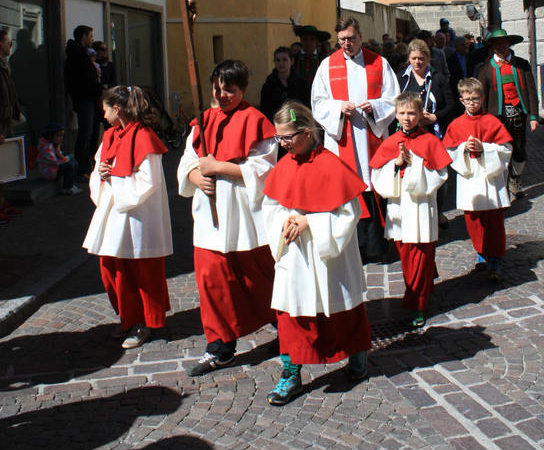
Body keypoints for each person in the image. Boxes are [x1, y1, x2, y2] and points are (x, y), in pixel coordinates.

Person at [261, 102, 371, 405]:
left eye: (286, 138)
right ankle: (290, 373)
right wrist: (288, 221)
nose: (281, 144)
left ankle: (358, 358)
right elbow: (270, 208)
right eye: (278, 138)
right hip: (295, 253)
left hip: (328, 256)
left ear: (306, 133)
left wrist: (310, 221)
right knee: (290, 314)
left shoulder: (332, 165)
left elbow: (349, 212)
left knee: (344, 311)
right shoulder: (283, 166)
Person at [178, 59, 278, 376]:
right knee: (211, 281)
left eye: (230, 90)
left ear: (243, 89)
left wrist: (218, 167)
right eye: (217, 89)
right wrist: (195, 176)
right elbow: (187, 162)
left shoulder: (256, 120)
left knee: (258, 278)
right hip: (209, 216)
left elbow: (265, 169)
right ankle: (220, 347)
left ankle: (284, 324)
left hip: (244, 213)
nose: (222, 95)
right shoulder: (203, 121)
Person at [83, 86, 172, 349]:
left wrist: (116, 180)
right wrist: (101, 173)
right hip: (113, 210)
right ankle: (128, 317)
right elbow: (101, 167)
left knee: (141, 269)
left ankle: (145, 322)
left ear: (117, 109)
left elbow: (149, 181)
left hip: (137, 215)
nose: (103, 114)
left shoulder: (144, 137)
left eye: (105, 109)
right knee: (111, 266)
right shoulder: (110, 135)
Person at [311, 17, 399, 263]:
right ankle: (352, 247)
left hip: (372, 138)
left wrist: (375, 106)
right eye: (341, 40)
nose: (346, 44)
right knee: (346, 189)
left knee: (373, 189)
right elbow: (317, 102)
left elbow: (394, 98)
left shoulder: (379, 63)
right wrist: (338, 107)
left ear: (359, 36)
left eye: (350, 38)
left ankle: (376, 247)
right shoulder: (327, 65)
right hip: (342, 141)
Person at [370, 92, 451, 328]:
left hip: (423, 205)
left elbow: (441, 174)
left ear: (420, 115)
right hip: (400, 206)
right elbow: (378, 176)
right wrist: (396, 165)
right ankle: (419, 288)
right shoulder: (389, 142)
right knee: (407, 255)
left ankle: (417, 304)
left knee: (422, 253)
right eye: (403, 113)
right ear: (396, 114)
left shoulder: (430, 142)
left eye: (412, 113)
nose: (407, 118)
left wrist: (415, 164)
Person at [443, 78, 513, 280]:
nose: (472, 103)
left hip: (490, 179)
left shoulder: (493, 122)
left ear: (482, 98)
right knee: (474, 221)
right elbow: (448, 151)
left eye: (475, 99)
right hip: (470, 178)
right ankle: (482, 254)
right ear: (461, 100)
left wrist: (485, 148)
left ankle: (496, 260)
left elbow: (506, 149)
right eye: (467, 99)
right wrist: (463, 149)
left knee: (494, 221)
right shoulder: (456, 125)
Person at [478, 28, 539, 199]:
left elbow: (531, 91)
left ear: (509, 44)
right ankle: (502, 185)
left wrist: (534, 116)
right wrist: (481, 120)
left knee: (519, 151)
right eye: (497, 43)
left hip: (519, 115)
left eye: (504, 43)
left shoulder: (522, 65)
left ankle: (515, 177)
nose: (501, 46)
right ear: (492, 46)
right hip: (496, 118)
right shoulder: (485, 69)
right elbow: (482, 97)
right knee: (500, 152)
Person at [64, 25, 101, 178]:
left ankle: (89, 165)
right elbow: (84, 80)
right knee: (85, 133)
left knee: (91, 132)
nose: (92, 39)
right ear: (84, 36)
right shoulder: (77, 55)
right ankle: (82, 168)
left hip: (88, 98)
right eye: (91, 36)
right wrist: (97, 90)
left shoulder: (81, 53)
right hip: (85, 99)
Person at [398, 40, 455, 137]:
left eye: (421, 58)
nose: (417, 62)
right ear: (409, 58)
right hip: (407, 133)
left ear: (428, 58)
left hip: (433, 132)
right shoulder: (401, 78)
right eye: (414, 58)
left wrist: (435, 117)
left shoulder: (438, 78)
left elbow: (451, 105)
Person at [0, 28, 23, 222]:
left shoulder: (4, 65)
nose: (10, 45)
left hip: (6, 122)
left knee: (3, 166)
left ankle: (2, 202)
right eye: (8, 41)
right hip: (0, 125)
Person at [259, 46, 310, 122]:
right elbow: (265, 110)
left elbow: (306, 106)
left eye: (284, 60)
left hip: (297, 123)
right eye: (278, 60)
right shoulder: (269, 84)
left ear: (292, 61)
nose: (281, 63)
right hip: (276, 124)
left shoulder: (301, 83)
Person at [37, 121, 80, 194]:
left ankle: (71, 184)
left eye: (62, 136)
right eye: (59, 135)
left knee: (74, 162)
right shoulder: (46, 148)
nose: (61, 138)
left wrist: (64, 157)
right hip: (49, 171)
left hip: (54, 168)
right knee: (69, 165)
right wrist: (68, 158)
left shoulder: (54, 144)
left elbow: (60, 157)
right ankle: (67, 188)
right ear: (50, 136)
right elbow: (55, 162)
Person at [291, 25, 330, 89]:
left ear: (317, 41)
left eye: (312, 39)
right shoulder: (293, 59)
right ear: (301, 40)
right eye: (305, 39)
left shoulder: (324, 59)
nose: (308, 43)